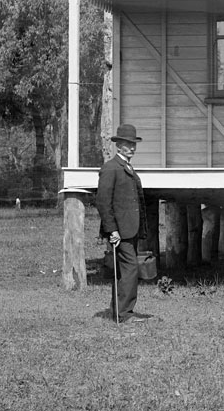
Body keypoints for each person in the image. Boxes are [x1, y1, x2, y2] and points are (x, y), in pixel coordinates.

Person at [96, 124, 151, 324]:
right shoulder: (110, 168)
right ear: (118, 145)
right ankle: (125, 313)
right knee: (130, 269)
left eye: (134, 144)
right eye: (128, 144)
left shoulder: (127, 167)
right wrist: (112, 230)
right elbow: (103, 202)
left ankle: (119, 311)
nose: (132, 148)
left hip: (130, 228)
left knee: (125, 270)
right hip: (121, 230)